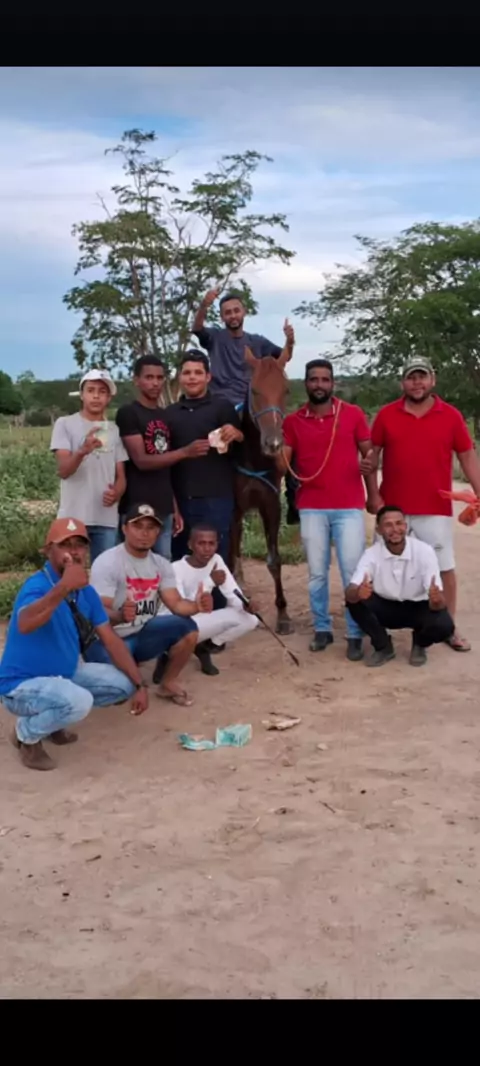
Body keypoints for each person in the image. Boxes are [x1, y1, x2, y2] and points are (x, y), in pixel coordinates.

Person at [0, 518, 149, 772]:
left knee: (122, 685)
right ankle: (26, 734)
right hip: (20, 685)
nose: (74, 552)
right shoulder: (37, 585)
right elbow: (24, 624)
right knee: (79, 701)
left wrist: (139, 685)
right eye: (65, 545)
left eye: (79, 545)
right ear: (48, 550)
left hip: (63, 673)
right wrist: (63, 586)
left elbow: (110, 639)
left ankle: (52, 721)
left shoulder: (84, 591)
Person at [369, 357, 480, 652]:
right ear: (402, 382)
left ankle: (449, 628)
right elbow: (371, 457)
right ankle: (378, 629)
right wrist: (374, 496)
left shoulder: (451, 416)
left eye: (422, 377)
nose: (417, 383)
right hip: (393, 509)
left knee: (444, 568)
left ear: (433, 380)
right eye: (411, 377)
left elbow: (467, 456)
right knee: (381, 566)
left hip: (435, 506)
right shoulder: (386, 415)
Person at [280, 359, 377, 661]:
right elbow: (282, 464)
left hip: (349, 506)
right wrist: (271, 443)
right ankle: (322, 628)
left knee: (353, 571)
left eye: (324, 379)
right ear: (306, 383)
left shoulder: (353, 414)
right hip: (311, 507)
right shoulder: (293, 421)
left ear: (332, 383)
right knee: (317, 574)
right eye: (313, 379)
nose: (319, 384)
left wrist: (373, 489)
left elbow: (370, 455)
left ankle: (355, 632)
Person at [87, 503, 214, 706]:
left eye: (151, 527)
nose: (144, 533)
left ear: (158, 532)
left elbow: (176, 604)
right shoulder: (108, 562)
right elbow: (98, 612)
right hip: (108, 639)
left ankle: (168, 683)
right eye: (137, 526)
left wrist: (196, 606)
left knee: (188, 628)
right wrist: (120, 616)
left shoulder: (161, 564)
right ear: (124, 529)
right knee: (121, 689)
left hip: (141, 632)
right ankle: (122, 672)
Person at [192, 288, 299, 523]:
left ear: (244, 312)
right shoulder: (215, 338)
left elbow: (284, 357)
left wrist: (290, 341)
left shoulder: (257, 341)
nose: (232, 315)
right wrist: (204, 305)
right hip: (222, 403)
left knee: (284, 432)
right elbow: (197, 328)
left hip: (252, 402)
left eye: (236, 310)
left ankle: (292, 494)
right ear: (222, 316)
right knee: (207, 441)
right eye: (227, 312)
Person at [345, 505, 454, 667]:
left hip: (418, 606)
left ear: (406, 526)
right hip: (386, 607)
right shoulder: (371, 554)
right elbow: (351, 590)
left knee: (444, 625)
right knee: (354, 601)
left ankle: (420, 643)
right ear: (379, 530)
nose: (395, 529)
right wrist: (357, 593)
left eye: (399, 523)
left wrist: (437, 600)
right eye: (388, 525)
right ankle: (383, 646)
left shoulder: (424, 551)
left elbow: (438, 603)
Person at [163, 350, 244, 562]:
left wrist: (237, 434)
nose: (192, 377)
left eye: (198, 372)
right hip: (181, 500)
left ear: (208, 377)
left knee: (215, 561)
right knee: (180, 561)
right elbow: (164, 461)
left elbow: (242, 450)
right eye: (187, 372)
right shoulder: (169, 414)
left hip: (216, 500)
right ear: (180, 377)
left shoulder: (223, 408)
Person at [115, 355, 192, 560]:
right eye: (149, 377)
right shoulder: (128, 413)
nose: (155, 383)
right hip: (136, 506)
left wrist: (174, 508)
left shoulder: (164, 415)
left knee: (163, 563)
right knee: (133, 565)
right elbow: (141, 460)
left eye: (159, 377)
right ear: (136, 380)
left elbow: (166, 468)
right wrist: (185, 452)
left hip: (164, 507)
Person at [158, 524, 259, 676]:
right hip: (173, 623)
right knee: (184, 626)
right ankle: (167, 654)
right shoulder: (175, 568)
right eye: (201, 543)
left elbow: (232, 592)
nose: (207, 549)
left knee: (250, 619)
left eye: (211, 544)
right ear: (190, 545)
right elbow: (181, 609)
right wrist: (209, 582)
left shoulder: (216, 560)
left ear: (217, 545)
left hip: (199, 620)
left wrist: (245, 604)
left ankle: (205, 646)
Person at [50, 369, 128, 563]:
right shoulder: (65, 424)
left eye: (102, 391)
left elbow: (121, 476)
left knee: (104, 573)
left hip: (106, 518)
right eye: (91, 390)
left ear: (109, 397)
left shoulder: (114, 430)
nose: (96, 396)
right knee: (70, 570)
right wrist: (82, 451)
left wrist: (117, 493)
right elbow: (63, 471)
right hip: (73, 517)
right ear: (82, 395)